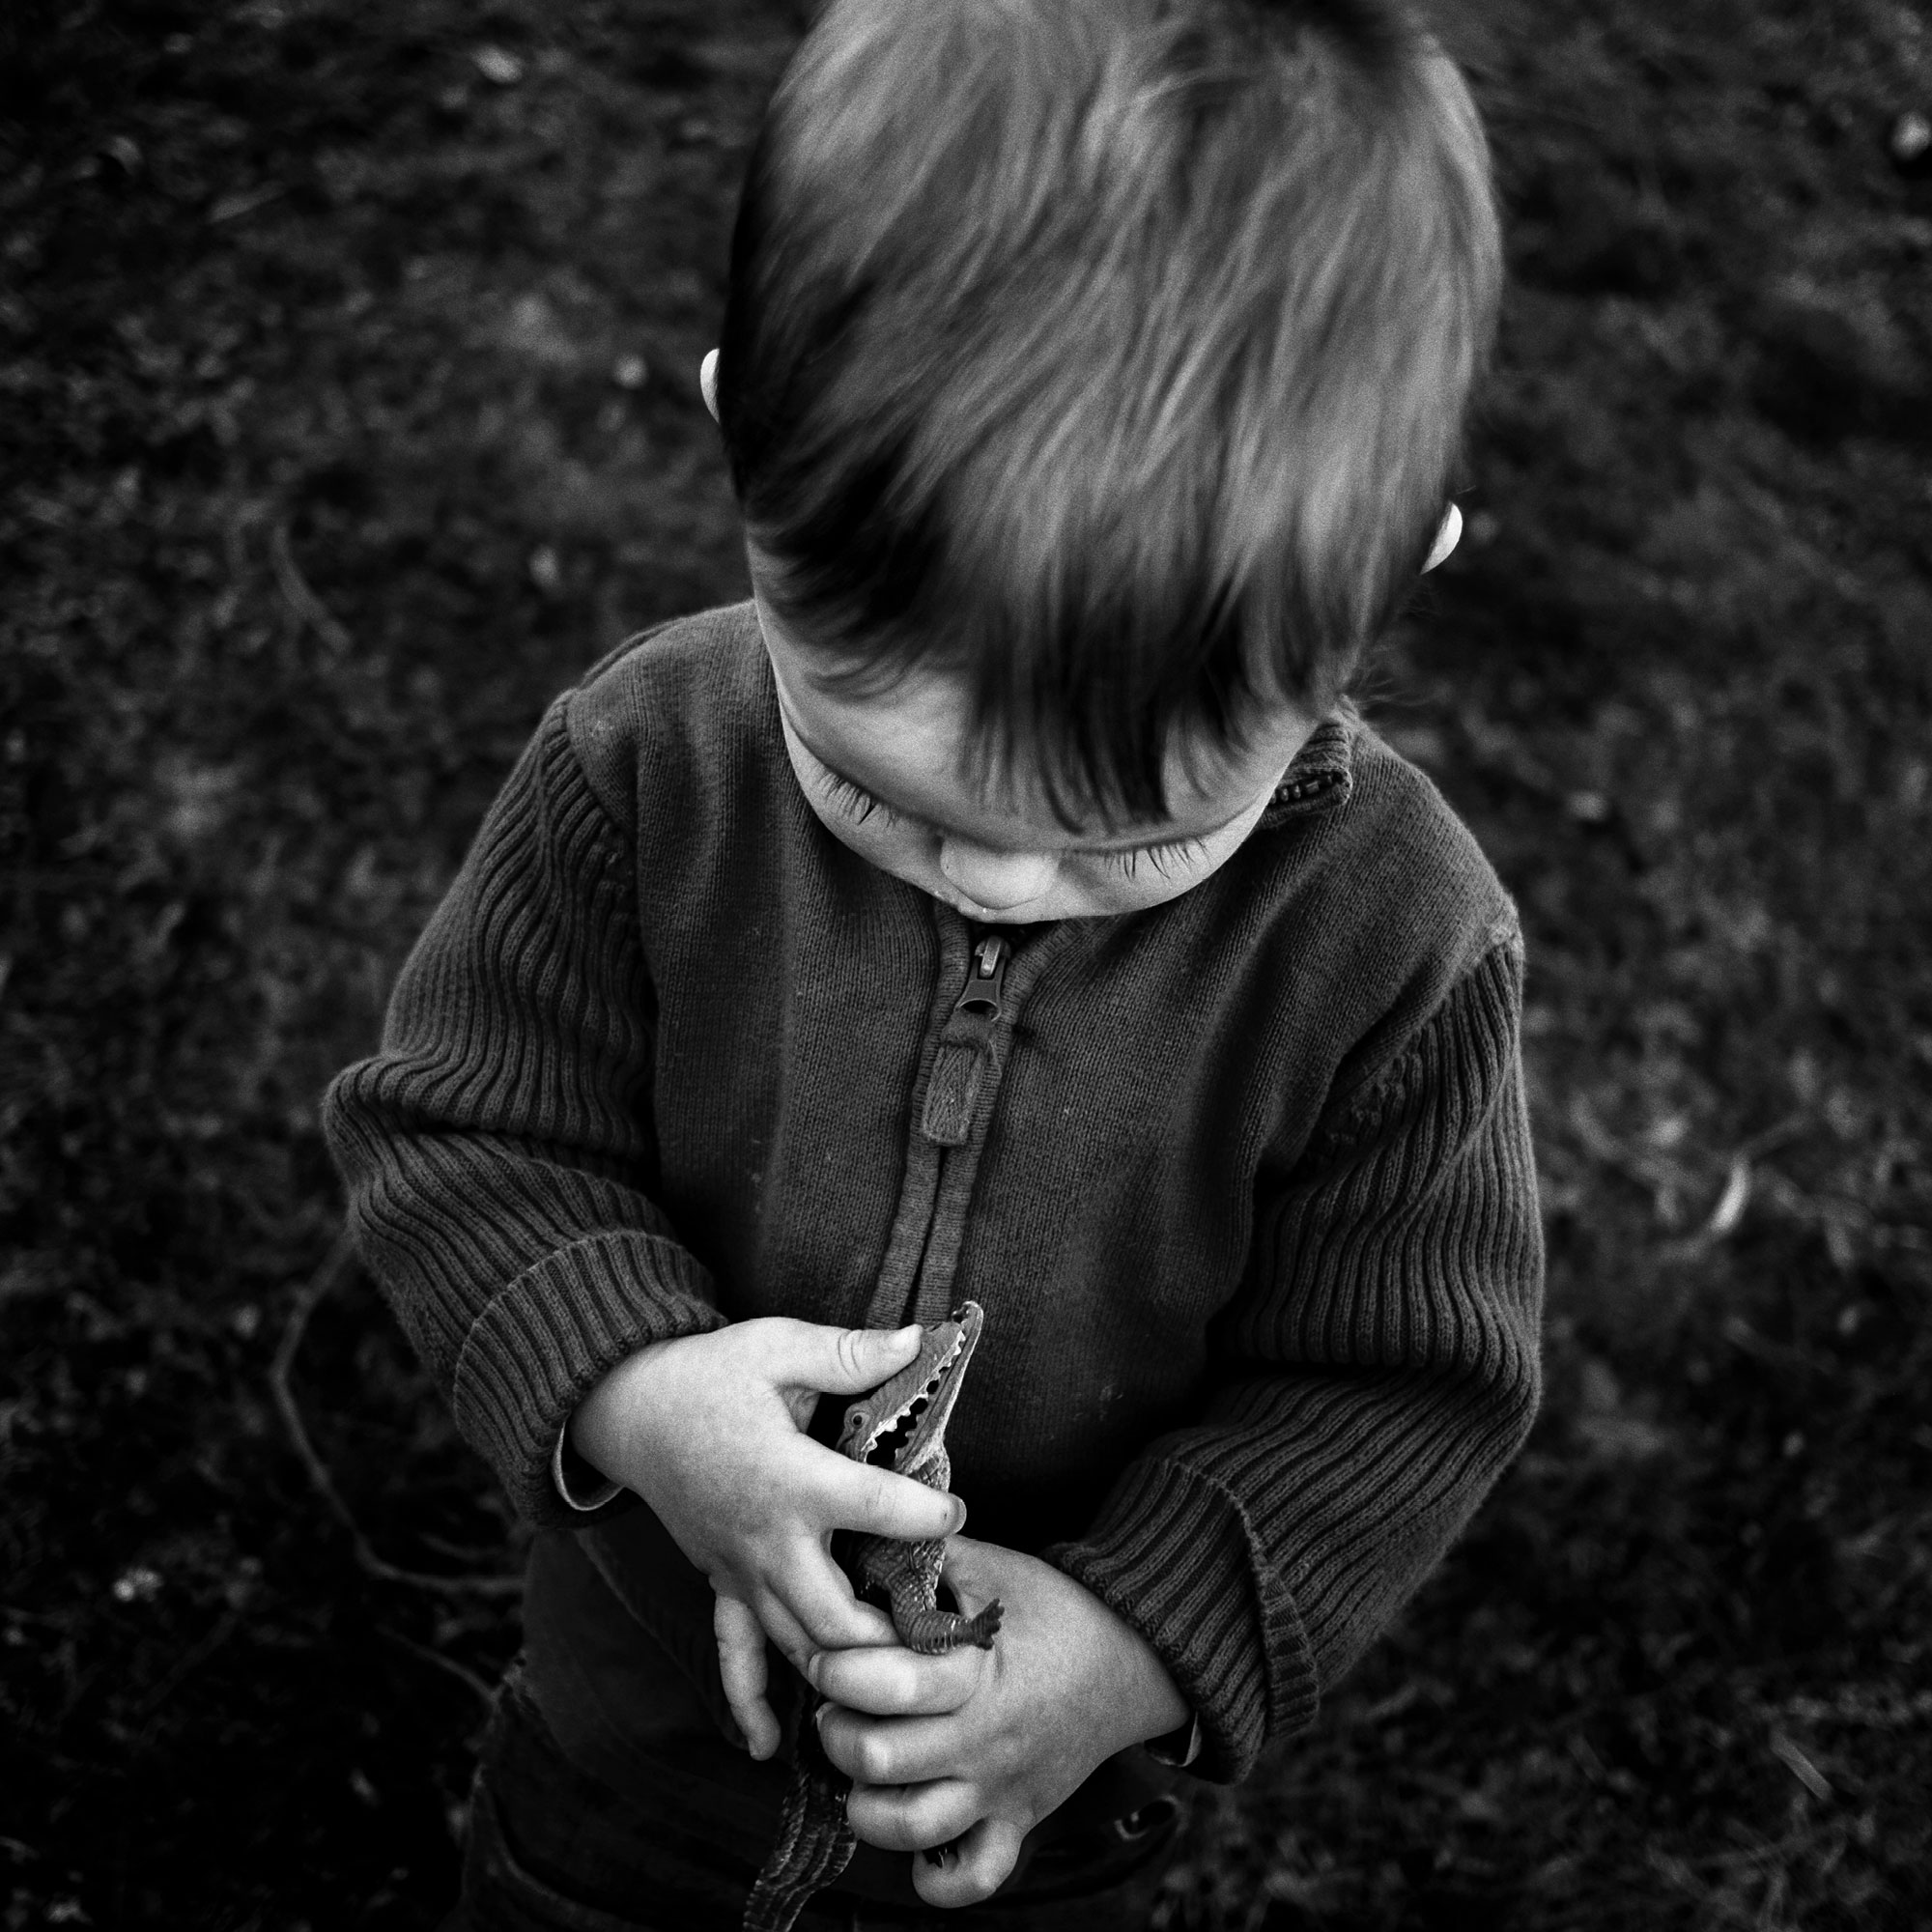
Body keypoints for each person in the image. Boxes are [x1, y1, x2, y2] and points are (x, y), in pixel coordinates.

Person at [324, 0, 1543, 1923]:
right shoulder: (644, 770)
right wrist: (641, 1393)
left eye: (1133, 833)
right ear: (749, 460)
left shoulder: (1392, 946)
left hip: (1031, 1827)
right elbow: (464, 1130)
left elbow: (1397, 1388)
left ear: (1377, 600)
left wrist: (1132, 1643)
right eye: (875, 791)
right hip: (629, 1756)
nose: (1001, 882)